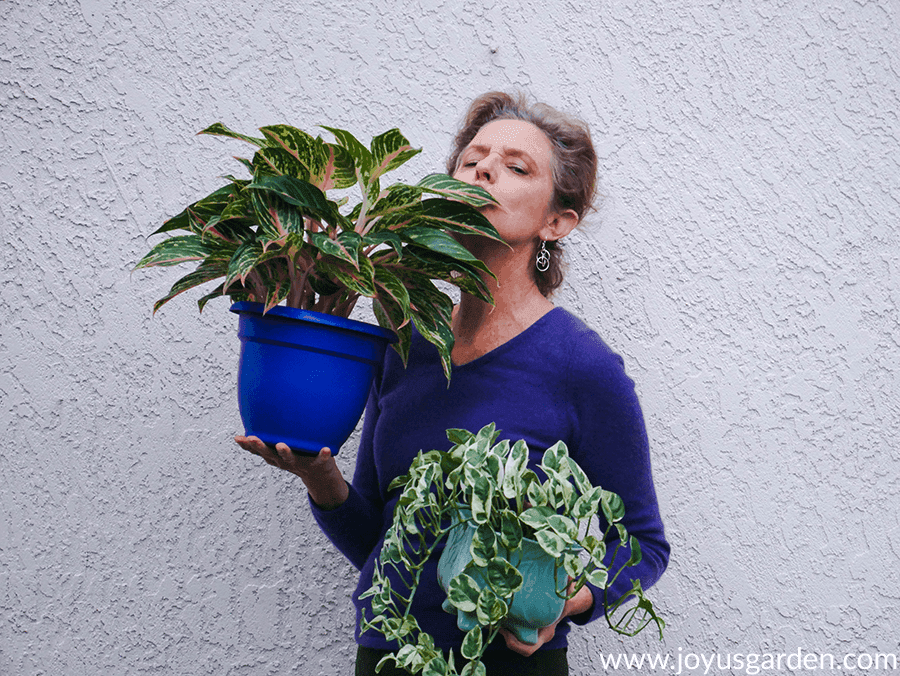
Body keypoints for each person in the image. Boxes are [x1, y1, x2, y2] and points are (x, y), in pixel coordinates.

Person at [236, 92, 670, 676]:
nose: (484, 169)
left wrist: (575, 599)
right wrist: (323, 481)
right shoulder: (404, 348)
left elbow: (643, 542)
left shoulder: (580, 365)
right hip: (388, 658)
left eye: (517, 167)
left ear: (556, 221)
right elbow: (378, 541)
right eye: (471, 161)